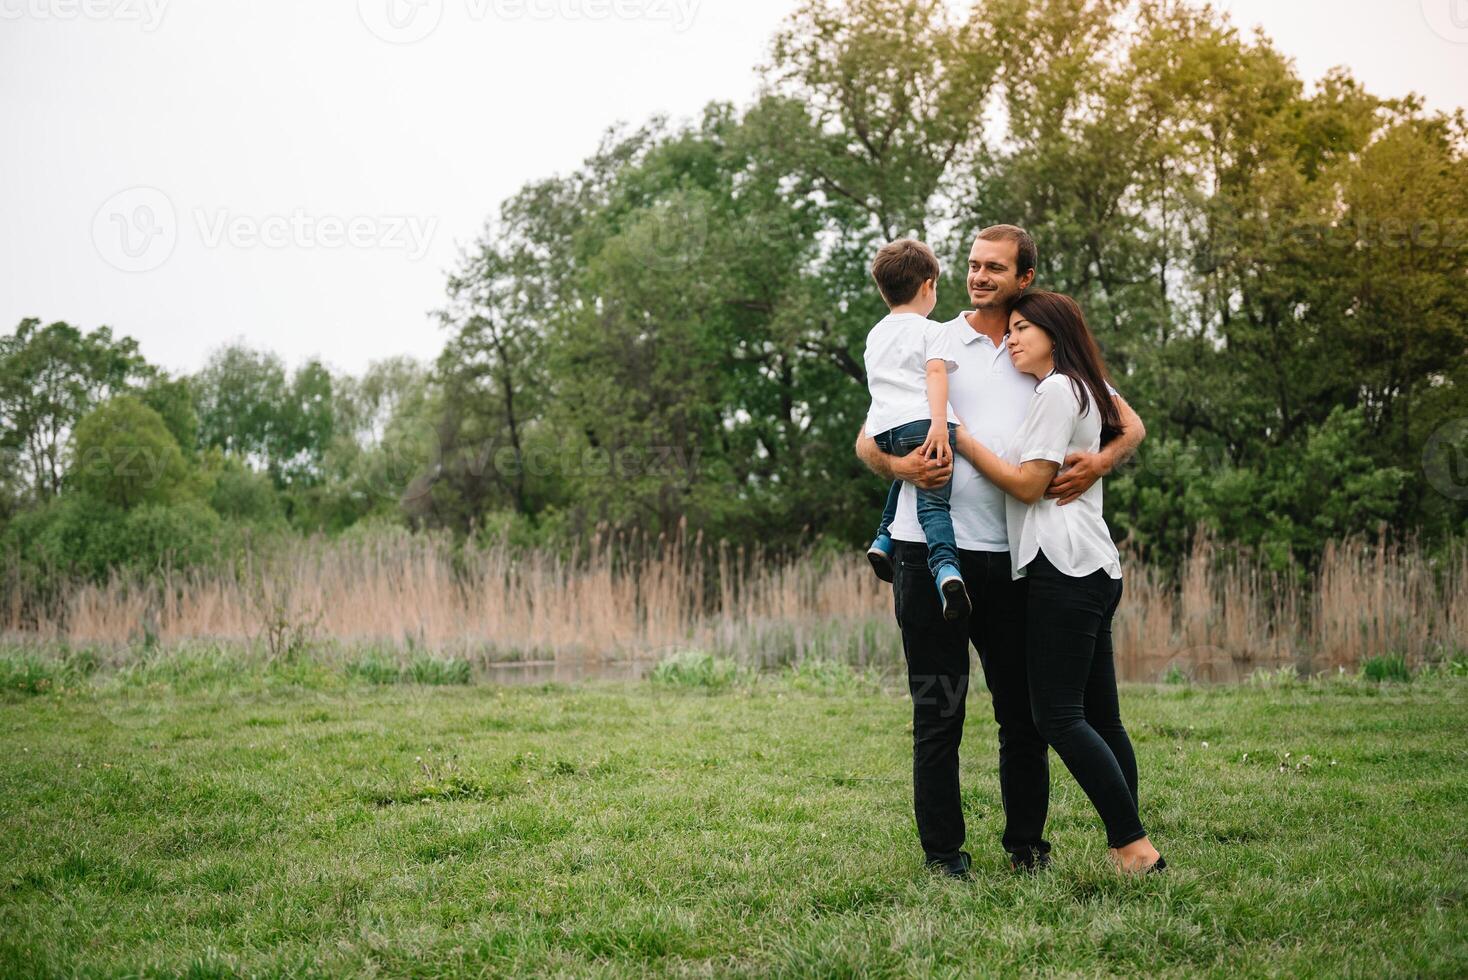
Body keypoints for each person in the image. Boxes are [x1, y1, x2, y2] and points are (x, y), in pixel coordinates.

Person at [855, 225, 1147, 878]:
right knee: (938, 714)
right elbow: (868, 440)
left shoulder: (1035, 345)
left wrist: (1097, 462)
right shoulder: (933, 336)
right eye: (972, 265)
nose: (979, 277)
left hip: (1016, 562)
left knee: (1024, 719)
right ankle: (943, 858)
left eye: (995, 268)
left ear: (1026, 278)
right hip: (924, 553)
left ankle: (1026, 850)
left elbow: (1130, 424)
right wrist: (903, 469)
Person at [952, 290, 1166, 874]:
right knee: (1102, 717)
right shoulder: (1084, 385)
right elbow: (1125, 427)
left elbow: (1028, 485)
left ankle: (1134, 844)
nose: (1013, 338)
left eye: (1023, 329)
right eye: (1011, 329)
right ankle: (1131, 841)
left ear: (1055, 334)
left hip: (1061, 565)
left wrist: (961, 437)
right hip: (1095, 564)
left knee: (1058, 717)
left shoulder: (1053, 389)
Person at [862, 238, 970, 621]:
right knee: (934, 504)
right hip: (924, 423)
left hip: (886, 430)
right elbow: (936, 373)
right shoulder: (931, 330)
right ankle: (946, 569)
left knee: (905, 476)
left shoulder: (875, 334)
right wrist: (939, 424)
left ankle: (884, 538)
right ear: (929, 286)